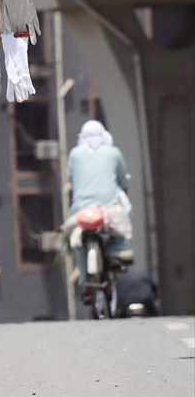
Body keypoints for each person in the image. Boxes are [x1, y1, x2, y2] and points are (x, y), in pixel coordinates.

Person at [67, 120, 131, 302]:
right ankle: (114, 254)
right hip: (108, 207)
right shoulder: (113, 152)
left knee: (79, 242)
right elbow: (123, 181)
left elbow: (71, 179)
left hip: (81, 209)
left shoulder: (74, 154)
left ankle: (86, 284)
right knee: (119, 225)